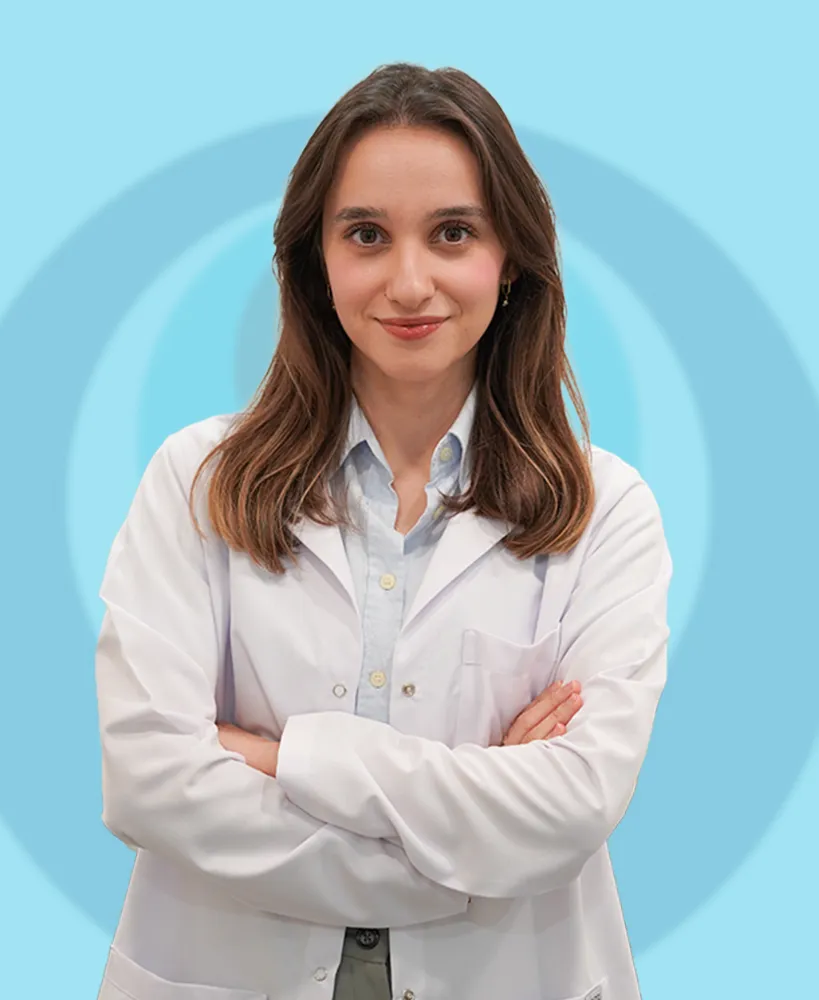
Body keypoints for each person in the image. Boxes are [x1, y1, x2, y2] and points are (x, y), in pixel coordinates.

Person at [94, 62, 672, 1000]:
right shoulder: (195, 481)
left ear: (509, 258)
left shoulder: (606, 509)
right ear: (314, 261)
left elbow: (572, 806)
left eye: (453, 233)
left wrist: (283, 758)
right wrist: (467, 859)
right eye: (366, 234)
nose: (409, 283)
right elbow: (150, 782)